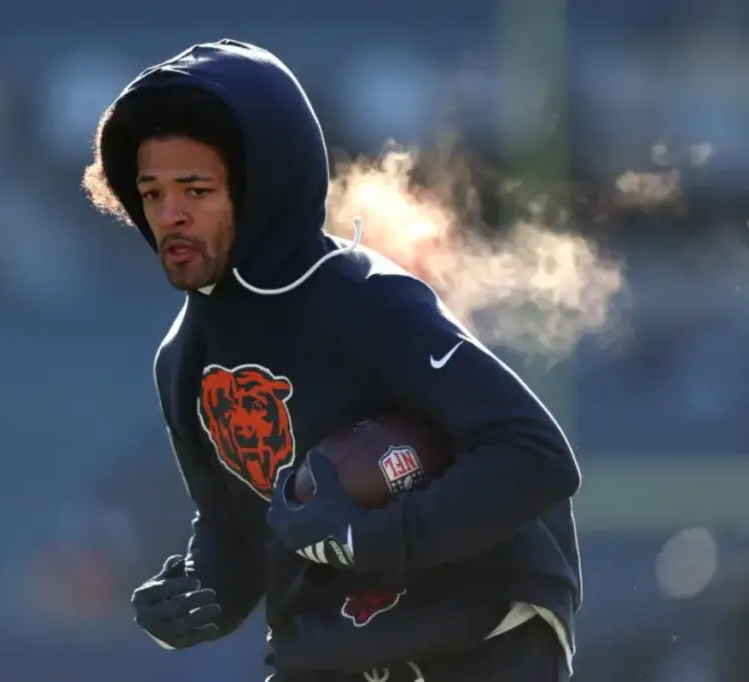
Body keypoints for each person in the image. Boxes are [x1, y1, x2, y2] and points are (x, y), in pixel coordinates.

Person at [81, 39, 581, 682]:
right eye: (151, 194)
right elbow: (239, 533)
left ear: (263, 185)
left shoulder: (369, 302)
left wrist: (374, 539)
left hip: (474, 635)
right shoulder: (182, 361)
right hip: (326, 652)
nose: (170, 215)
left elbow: (535, 457)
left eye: (196, 189)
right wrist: (197, 599)